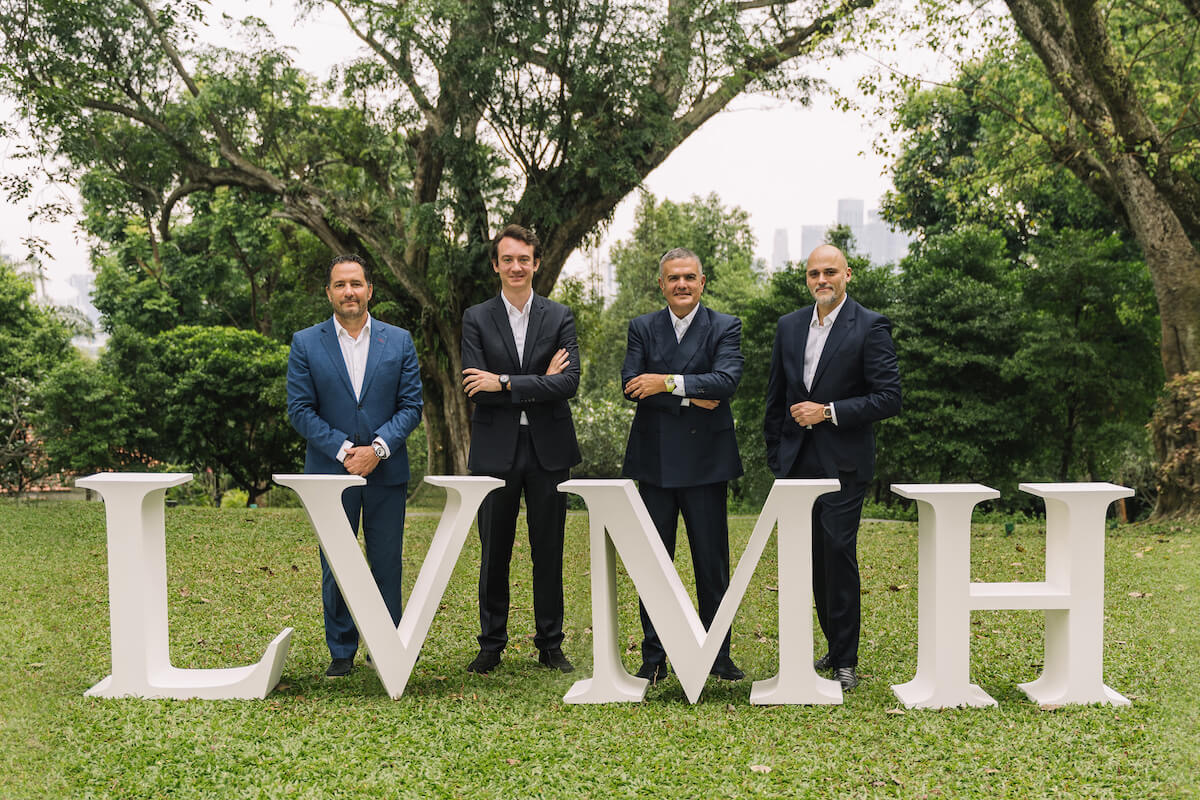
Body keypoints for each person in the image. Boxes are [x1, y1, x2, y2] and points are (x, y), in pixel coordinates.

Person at [763, 244, 901, 690]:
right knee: (810, 559)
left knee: (837, 554)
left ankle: (845, 659)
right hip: (796, 462)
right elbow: (776, 397)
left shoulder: (871, 326)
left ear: (847, 274)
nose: (821, 280)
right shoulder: (788, 327)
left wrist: (828, 411)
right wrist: (775, 454)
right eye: (813, 274)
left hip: (843, 463)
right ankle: (828, 645)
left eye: (829, 272)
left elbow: (888, 398)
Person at [286, 254, 424, 678]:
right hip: (330, 475)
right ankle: (341, 652)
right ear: (329, 292)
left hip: (387, 471)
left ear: (370, 290)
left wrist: (377, 450)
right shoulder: (306, 342)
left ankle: (386, 648)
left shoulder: (398, 341)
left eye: (357, 284)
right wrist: (346, 451)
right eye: (341, 284)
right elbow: (300, 410)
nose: (350, 291)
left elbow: (411, 406)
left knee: (387, 562)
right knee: (336, 564)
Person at [460, 224, 581, 675]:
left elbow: (568, 382)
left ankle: (550, 644)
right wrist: (539, 381)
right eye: (507, 259)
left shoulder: (559, 315)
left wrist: (506, 380)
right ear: (496, 265)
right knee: (495, 551)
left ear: (536, 263)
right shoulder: (476, 317)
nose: (516, 266)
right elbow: (477, 387)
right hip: (496, 451)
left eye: (524, 259)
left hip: (550, 450)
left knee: (548, 550)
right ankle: (491, 644)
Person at [621, 247, 746, 683]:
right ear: (662, 284)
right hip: (654, 464)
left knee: (712, 565)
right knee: (656, 562)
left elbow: (727, 381)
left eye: (689, 277)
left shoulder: (725, 326)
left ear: (702, 281)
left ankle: (719, 654)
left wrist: (666, 382)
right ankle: (654, 656)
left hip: (707, 464)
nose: (681, 284)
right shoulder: (642, 328)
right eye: (673, 278)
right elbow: (631, 386)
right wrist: (692, 395)